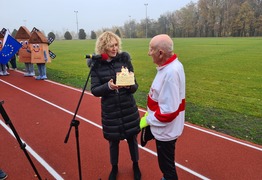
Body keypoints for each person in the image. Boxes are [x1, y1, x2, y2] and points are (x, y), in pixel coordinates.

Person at [90, 31, 141, 180]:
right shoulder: (97, 65)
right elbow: (94, 90)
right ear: (103, 47)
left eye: (116, 45)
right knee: (113, 141)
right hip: (110, 110)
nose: (115, 48)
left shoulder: (125, 60)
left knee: (132, 139)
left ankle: (136, 165)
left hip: (128, 108)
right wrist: (109, 87)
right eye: (111, 45)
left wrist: (129, 86)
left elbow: (135, 86)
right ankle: (114, 168)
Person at [140, 34, 186, 180]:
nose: (148, 53)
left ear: (161, 53)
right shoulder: (170, 67)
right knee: (166, 164)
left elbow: (169, 112)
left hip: (165, 131)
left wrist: (148, 120)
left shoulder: (171, 72)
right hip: (164, 128)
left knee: (167, 167)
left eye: (151, 49)